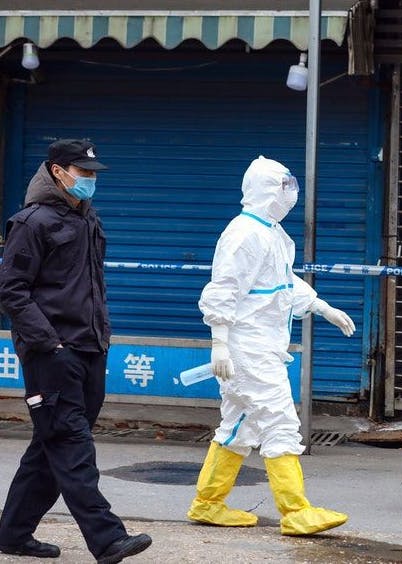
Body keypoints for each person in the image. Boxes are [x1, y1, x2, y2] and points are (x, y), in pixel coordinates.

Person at [0, 139, 152, 562]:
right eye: (82, 173)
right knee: (71, 442)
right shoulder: (32, 223)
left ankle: (12, 533)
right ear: (56, 171)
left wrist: (102, 334)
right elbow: (11, 291)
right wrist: (50, 342)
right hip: (51, 352)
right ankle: (107, 538)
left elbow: (91, 286)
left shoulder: (88, 219)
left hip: (89, 348)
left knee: (51, 444)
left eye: (93, 174)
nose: (89, 180)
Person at [187, 155, 355, 536]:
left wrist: (319, 305)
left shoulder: (272, 232)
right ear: (266, 189)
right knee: (279, 421)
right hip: (249, 349)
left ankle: (207, 503)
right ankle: (295, 511)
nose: (291, 193)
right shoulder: (244, 234)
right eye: (285, 186)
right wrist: (219, 342)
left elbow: (283, 282)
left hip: (260, 346)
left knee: (239, 426)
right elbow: (223, 289)